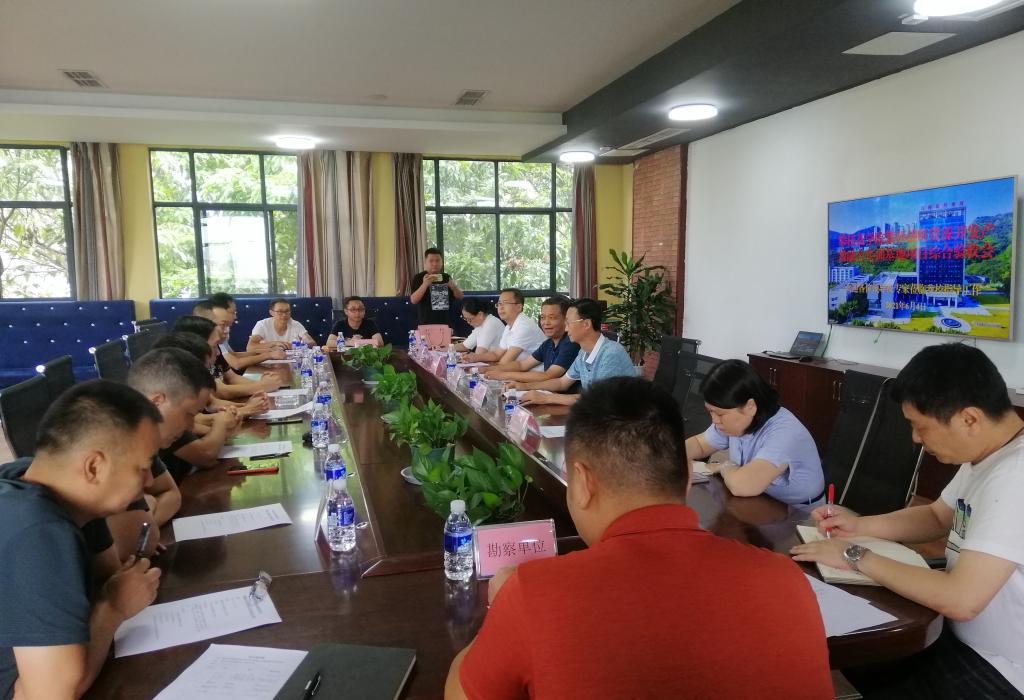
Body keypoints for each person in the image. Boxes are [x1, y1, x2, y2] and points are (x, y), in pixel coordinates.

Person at [445, 377, 833, 699]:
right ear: (687, 477)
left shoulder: (534, 592)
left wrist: (501, 608)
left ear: (582, 482)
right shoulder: (787, 580)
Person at [792, 343, 1024, 698]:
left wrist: (854, 555)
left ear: (969, 419)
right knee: (859, 650)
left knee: (856, 651)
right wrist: (859, 526)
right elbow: (936, 515)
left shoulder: (1015, 476)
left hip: (1002, 669)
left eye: (920, 426)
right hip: (957, 636)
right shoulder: (991, 454)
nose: (915, 438)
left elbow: (962, 600)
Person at [0, 381, 163, 699]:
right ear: (93, 467)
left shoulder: (32, 478)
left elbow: (108, 575)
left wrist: (112, 594)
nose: (149, 480)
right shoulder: (38, 531)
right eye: (142, 468)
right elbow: (48, 695)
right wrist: (114, 607)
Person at [84, 347, 213, 580]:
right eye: (189, 414)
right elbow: (135, 543)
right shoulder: (115, 441)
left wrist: (147, 514)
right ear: (156, 402)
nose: (191, 426)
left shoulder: (143, 438)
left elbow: (172, 494)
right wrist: (148, 511)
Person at [685, 359, 824, 505]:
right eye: (710, 412)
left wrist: (726, 467)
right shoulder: (737, 422)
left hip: (798, 512)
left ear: (750, 406)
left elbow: (742, 485)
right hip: (759, 501)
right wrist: (673, 457)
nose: (714, 420)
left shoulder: (785, 433)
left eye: (720, 414)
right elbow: (699, 444)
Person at [517, 298, 634, 406]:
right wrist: (524, 386)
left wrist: (546, 398)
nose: (566, 329)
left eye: (568, 323)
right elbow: (562, 383)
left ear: (586, 324)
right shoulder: (583, 353)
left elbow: (597, 398)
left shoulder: (611, 353)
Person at [481, 296, 579, 384]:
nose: (546, 322)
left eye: (552, 318)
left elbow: (548, 376)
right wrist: (490, 369)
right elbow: (521, 365)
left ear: (566, 320)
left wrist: (504, 375)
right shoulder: (548, 344)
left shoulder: (570, 343)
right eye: (543, 317)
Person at [206, 293, 287, 370]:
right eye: (233, 312)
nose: (235, 316)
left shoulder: (223, 331)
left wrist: (265, 352)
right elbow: (236, 364)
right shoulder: (215, 334)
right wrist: (268, 355)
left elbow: (233, 355)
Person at [466, 288, 545, 365]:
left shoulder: (524, 327)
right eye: (499, 304)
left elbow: (504, 363)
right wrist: (474, 357)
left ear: (519, 307)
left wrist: (479, 367)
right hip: (520, 370)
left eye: (505, 303)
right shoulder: (509, 326)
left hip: (537, 372)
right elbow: (496, 355)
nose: (501, 307)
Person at [410, 247, 463, 326]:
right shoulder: (419, 277)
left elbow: (460, 297)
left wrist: (454, 287)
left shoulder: (446, 277)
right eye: (431, 261)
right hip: (426, 323)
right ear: (425, 262)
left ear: (442, 262)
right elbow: (413, 300)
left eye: (437, 261)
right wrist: (425, 284)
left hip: (446, 323)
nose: (434, 264)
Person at [247, 298, 317, 350]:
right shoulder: (262, 324)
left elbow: (312, 343)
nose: (284, 315)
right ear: (271, 313)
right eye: (280, 312)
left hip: (292, 361)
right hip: (268, 361)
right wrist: (275, 343)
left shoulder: (296, 324)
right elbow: (250, 347)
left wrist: (300, 345)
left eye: (287, 311)